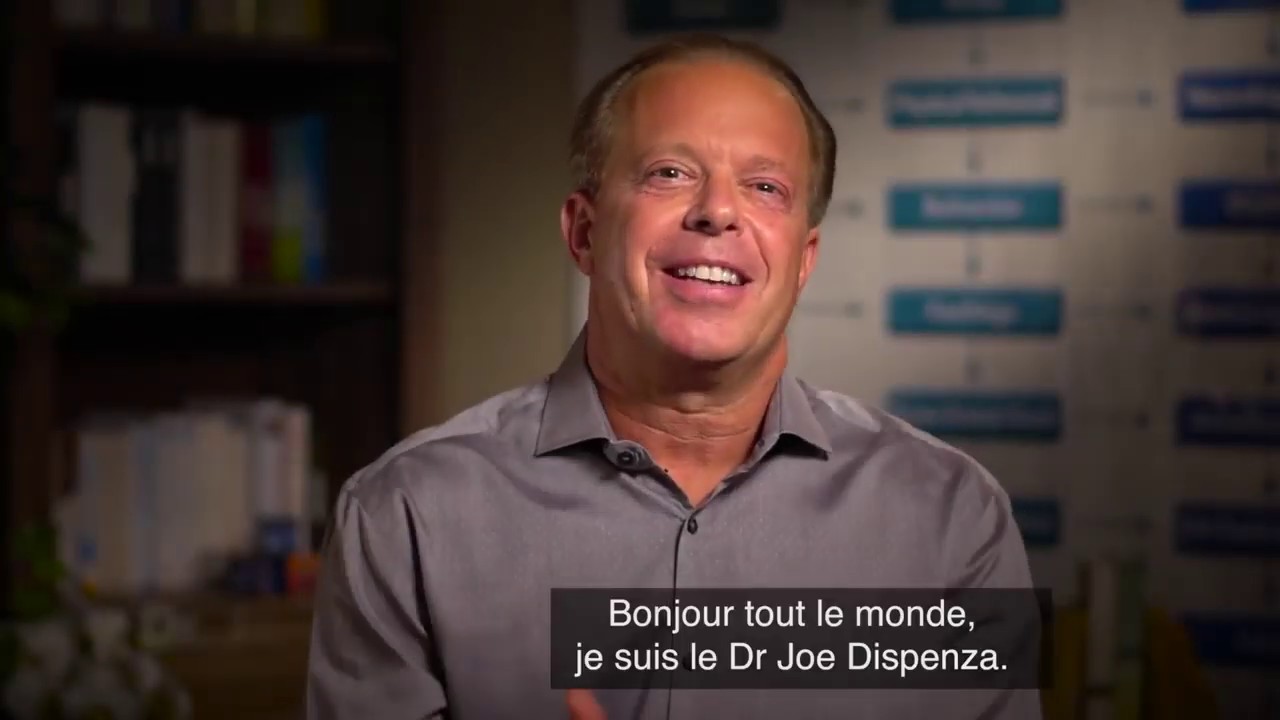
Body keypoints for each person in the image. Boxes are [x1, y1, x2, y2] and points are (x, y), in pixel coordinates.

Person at [305, 33, 1042, 720]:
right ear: (585, 233)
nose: (718, 211)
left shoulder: (951, 516)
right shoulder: (406, 514)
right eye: (669, 173)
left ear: (804, 261)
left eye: (765, 187)